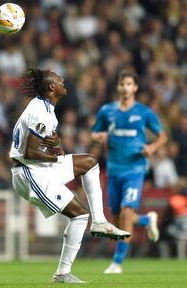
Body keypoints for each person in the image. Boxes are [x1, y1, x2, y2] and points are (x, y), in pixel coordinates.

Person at [9, 68, 130, 284]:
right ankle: (63, 273)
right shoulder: (40, 111)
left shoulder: (45, 108)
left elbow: (42, 148)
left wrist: (55, 148)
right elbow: (29, 152)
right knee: (79, 215)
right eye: (58, 79)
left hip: (39, 167)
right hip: (30, 173)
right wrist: (54, 155)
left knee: (90, 163)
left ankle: (100, 222)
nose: (63, 80)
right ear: (52, 88)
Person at [91, 70, 167, 274]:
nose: (125, 87)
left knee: (126, 213)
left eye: (129, 84)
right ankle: (145, 220)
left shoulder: (144, 112)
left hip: (135, 170)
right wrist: (98, 137)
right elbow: (94, 131)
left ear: (135, 88)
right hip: (113, 170)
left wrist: (151, 148)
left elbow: (162, 136)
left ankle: (117, 263)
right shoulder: (107, 111)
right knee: (117, 218)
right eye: (122, 84)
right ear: (118, 87)